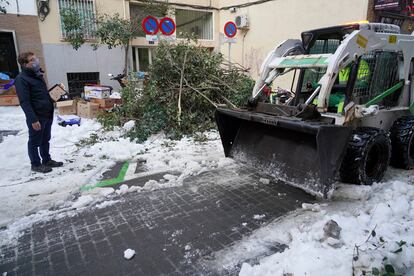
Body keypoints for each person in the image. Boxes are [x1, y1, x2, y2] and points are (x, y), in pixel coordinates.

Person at [14, 52, 63, 173]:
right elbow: (25, 101)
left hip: (47, 113)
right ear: (25, 64)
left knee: (45, 139)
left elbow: (42, 95)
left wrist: (56, 92)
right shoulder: (21, 79)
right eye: (32, 60)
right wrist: (33, 119)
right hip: (37, 116)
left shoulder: (38, 75)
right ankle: (35, 164)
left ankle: (46, 160)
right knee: (34, 141)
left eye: (35, 58)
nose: (36, 61)